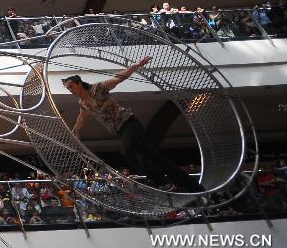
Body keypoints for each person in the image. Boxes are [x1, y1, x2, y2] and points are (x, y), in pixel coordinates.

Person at [64, 56, 203, 193]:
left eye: (71, 86)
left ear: (79, 83)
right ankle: (189, 186)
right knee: (153, 156)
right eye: (67, 88)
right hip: (121, 130)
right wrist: (75, 131)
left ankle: (160, 181)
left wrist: (135, 66)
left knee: (127, 151)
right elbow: (81, 118)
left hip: (129, 123)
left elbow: (119, 78)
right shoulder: (82, 103)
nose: (69, 89)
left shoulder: (97, 89)